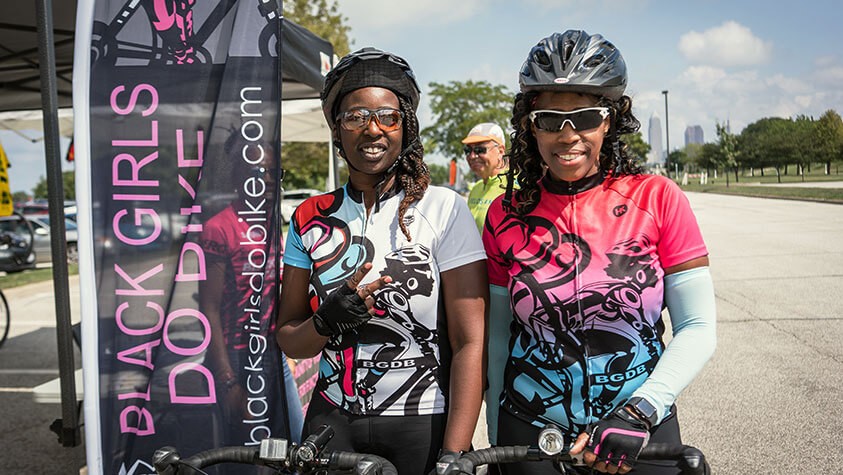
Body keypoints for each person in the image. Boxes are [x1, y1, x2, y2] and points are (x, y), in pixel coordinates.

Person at [482, 30, 717, 475]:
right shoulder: (504, 214)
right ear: (531, 124)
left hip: (638, 428)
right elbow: (498, 338)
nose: (567, 135)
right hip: (531, 430)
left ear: (608, 121)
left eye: (585, 117)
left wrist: (641, 411)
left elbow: (699, 327)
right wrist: (496, 438)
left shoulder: (659, 198)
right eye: (550, 120)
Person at [275, 47, 488, 475]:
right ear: (337, 128)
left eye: (387, 117)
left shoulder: (444, 208)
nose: (372, 129)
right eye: (355, 117)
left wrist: (454, 453)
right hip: (332, 422)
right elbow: (287, 336)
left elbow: (471, 344)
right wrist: (325, 322)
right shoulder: (308, 217)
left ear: (404, 126)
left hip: (423, 422)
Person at [199, 132, 304, 450]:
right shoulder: (218, 228)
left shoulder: (270, 222)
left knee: (293, 443)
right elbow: (209, 309)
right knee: (250, 455)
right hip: (236, 360)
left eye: (276, 172)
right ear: (237, 174)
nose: (270, 180)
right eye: (261, 172)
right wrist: (227, 379)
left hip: (273, 358)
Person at [461, 122, 510, 233]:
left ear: (501, 151)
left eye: (480, 150)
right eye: (467, 151)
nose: (472, 156)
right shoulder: (476, 188)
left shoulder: (515, 186)